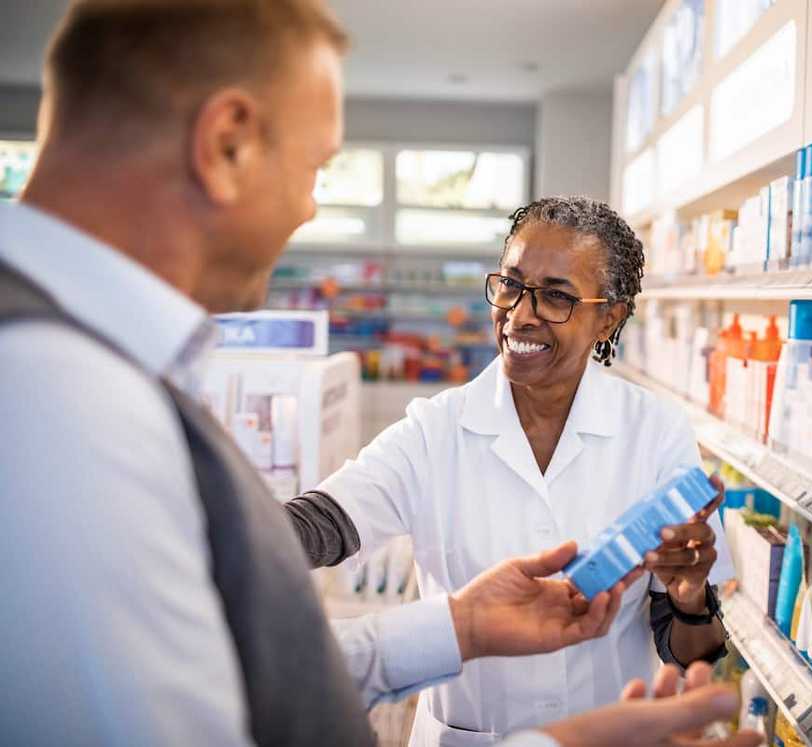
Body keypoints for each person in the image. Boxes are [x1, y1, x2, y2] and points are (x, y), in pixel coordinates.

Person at [0, 2, 755, 746]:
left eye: (558, 297)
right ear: (226, 144)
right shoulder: (58, 399)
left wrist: (460, 626)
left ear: (609, 317)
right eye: (315, 166)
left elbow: (218, 678)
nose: (308, 207)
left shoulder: (94, 370)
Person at [285, 196, 736, 745]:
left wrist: (688, 595)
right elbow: (320, 524)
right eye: (511, 285)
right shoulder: (436, 430)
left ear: (608, 317)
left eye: (556, 297)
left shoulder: (654, 431)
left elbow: (693, 651)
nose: (521, 314)